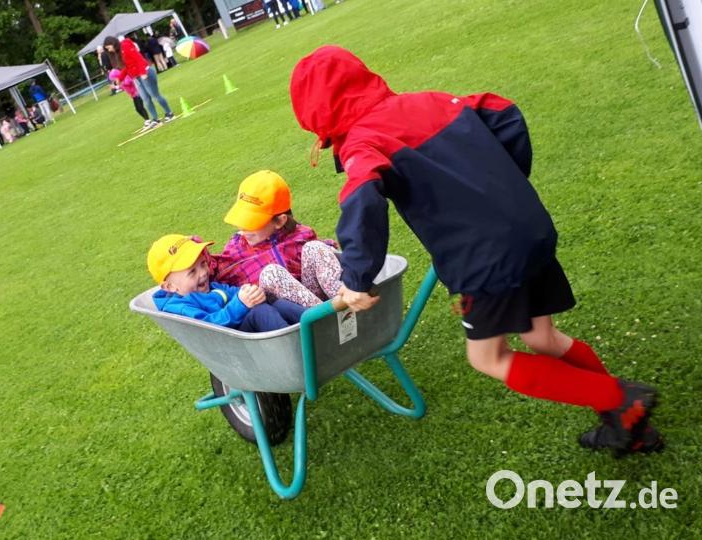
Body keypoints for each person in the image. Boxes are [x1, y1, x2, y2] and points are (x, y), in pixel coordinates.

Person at [289, 45, 662, 454]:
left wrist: (356, 278)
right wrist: (504, 188)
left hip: (485, 258)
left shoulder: (363, 140)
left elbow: (362, 197)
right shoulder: (430, 100)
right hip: (527, 228)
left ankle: (623, 400)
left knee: (488, 357)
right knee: (543, 337)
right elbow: (503, 112)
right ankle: (629, 426)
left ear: (321, 119)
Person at [215, 171, 342, 308]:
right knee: (272, 274)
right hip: (279, 311)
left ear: (280, 221)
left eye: (252, 222)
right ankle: (327, 320)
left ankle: (347, 306)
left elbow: (321, 259)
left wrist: (327, 250)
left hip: (314, 301)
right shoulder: (237, 249)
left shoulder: (300, 236)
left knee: (315, 248)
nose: (244, 228)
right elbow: (212, 271)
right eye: (242, 220)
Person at [148, 234, 305, 332]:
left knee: (278, 304)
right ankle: (297, 350)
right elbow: (210, 327)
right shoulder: (180, 307)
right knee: (261, 312)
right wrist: (240, 304)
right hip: (234, 340)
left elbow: (233, 292)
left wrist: (248, 292)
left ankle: (319, 327)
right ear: (169, 286)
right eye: (192, 272)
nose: (203, 273)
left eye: (203, 264)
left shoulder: (212, 288)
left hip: (244, 329)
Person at [105, 35, 174, 130]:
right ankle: (155, 119)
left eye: (108, 48)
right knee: (146, 99)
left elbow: (138, 58)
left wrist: (143, 72)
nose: (109, 50)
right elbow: (127, 67)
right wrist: (119, 79)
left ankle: (169, 113)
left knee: (155, 95)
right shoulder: (119, 52)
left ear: (112, 43)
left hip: (145, 73)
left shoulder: (125, 44)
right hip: (136, 77)